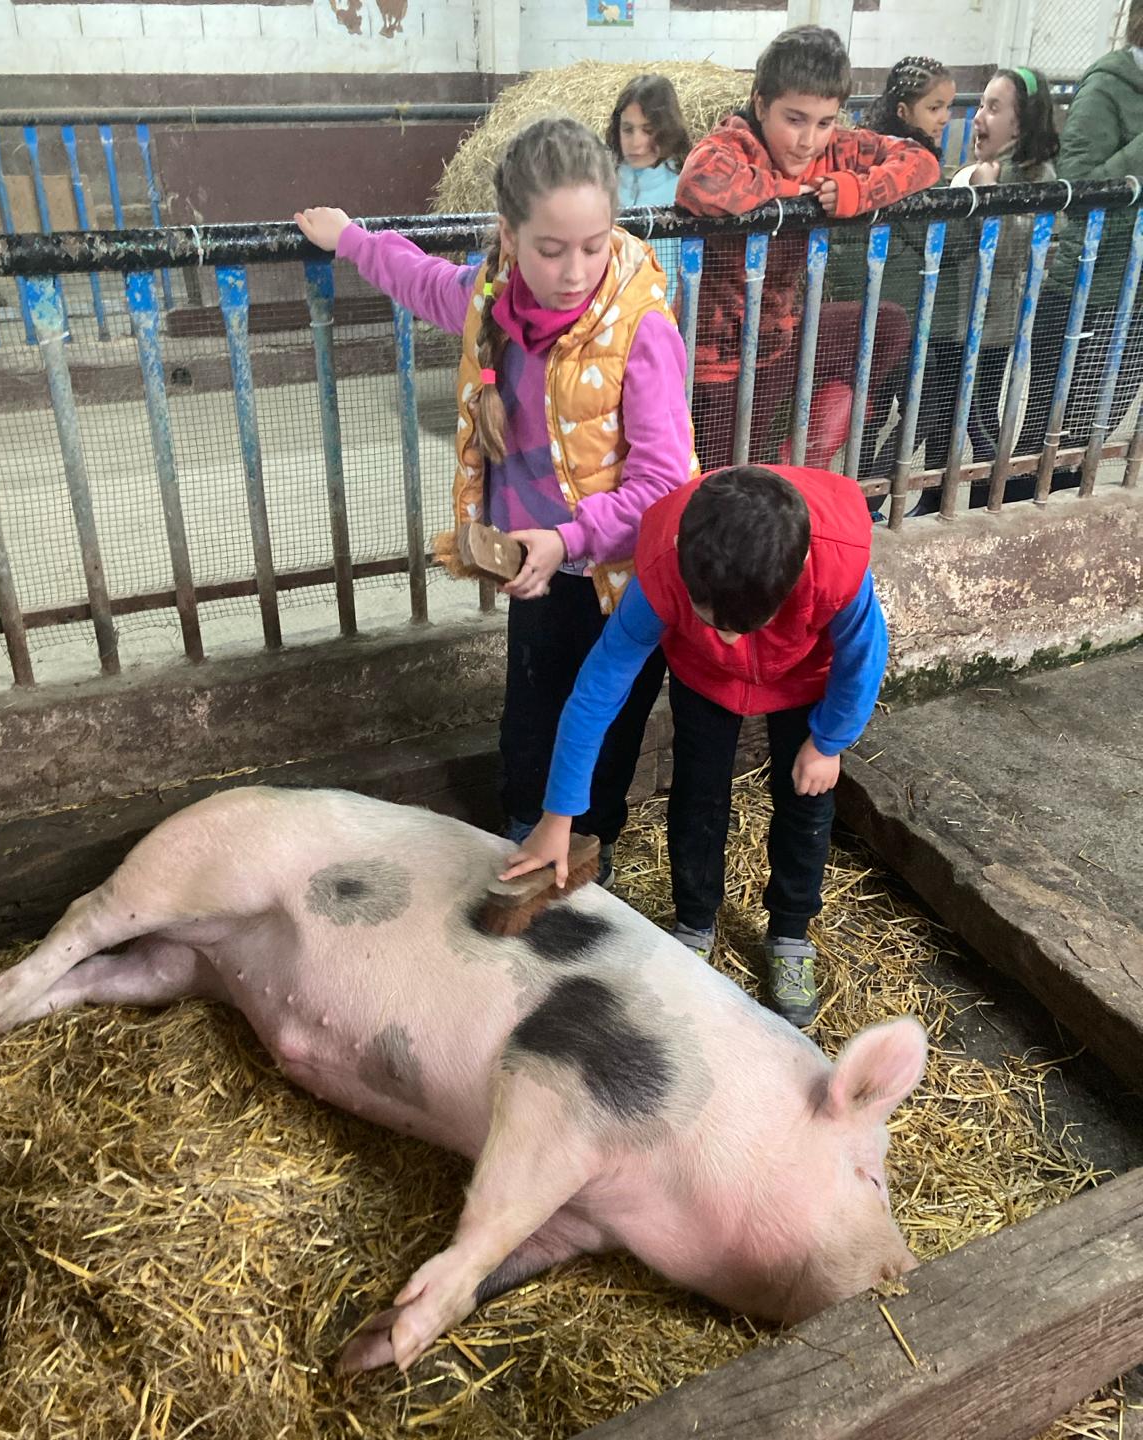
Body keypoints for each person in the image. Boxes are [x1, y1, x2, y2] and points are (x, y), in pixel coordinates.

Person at [295, 118, 697, 885]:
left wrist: (569, 539)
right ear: (509, 237)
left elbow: (662, 484)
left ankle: (590, 846)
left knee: (608, 715)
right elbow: (422, 280)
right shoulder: (493, 299)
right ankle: (520, 830)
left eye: (594, 245)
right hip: (536, 559)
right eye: (551, 249)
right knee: (534, 704)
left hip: (624, 573)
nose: (575, 271)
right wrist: (350, 239)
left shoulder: (639, 327)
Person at [501, 465, 888, 1029]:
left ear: (798, 569)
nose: (729, 637)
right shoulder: (664, 569)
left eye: (743, 625)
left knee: (806, 801)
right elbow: (597, 691)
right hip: (702, 676)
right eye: (713, 619)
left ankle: (789, 932)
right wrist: (558, 817)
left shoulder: (836, 567)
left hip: (804, 678)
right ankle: (694, 923)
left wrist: (829, 741)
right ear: (684, 555)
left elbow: (863, 656)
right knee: (697, 790)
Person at [675, 25, 939, 472]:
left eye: (824, 122)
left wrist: (860, 190)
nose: (808, 141)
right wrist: (802, 195)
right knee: (722, 477)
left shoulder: (833, 148)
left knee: (887, 325)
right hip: (717, 361)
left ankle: (803, 455)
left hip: (782, 338)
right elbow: (699, 180)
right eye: (794, 119)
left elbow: (922, 160)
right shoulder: (736, 142)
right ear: (761, 104)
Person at [1004, 21, 1143, 502]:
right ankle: (1005, 524)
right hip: (1090, 291)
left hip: (1135, 297)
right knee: (1051, 440)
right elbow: (1078, 189)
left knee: (1092, 437)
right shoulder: (1107, 87)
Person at [912, 66, 1059, 516]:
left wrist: (990, 196)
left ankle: (990, 498)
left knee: (976, 414)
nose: (978, 117)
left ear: (1021, 124)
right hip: (952, 315)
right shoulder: (980, 169)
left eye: (993, 108)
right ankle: (933, 498)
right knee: (943, 413)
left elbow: (1016, 253)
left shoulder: (1035, 177)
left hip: (989, 323)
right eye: (981, 105)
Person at [848, 57, 956, 511]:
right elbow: (947, 240)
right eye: (934, 107)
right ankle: (864, 501)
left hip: (890, 308)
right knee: (915, 408)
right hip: (897, 311)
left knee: (883, 411)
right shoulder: (908, 167)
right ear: (903, 111)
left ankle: (862, 501)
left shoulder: (875, 155)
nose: (945, 117)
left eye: (948, 106)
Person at [607, 73, 693, 304]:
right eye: (628, 129)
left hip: (661, 312)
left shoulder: (684, 188)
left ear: (667, 131)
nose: (636, 142)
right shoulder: (604, 184)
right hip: (610, 311)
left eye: (648, 130)